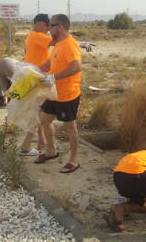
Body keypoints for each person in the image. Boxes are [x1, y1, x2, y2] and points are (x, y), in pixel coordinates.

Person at [34, 14, 82, 174]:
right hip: (54, 92)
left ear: (60, 27)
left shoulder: (70, 44)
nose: (48, 28)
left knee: (70, 128)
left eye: (51, 25)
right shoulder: (59, 43)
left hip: (67, 94)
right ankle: (51, 150)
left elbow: (76, 66)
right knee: (44, 119)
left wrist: (54, 77)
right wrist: (36, 71)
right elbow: (51, 62)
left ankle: (74, 161)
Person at [0, 56, 48, 155]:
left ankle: (41, 142)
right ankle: (27, 145)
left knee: (39, 115)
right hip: (37, 82)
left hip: (35, 80)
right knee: (38, 115)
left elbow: (4, 86)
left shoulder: (3, 65)